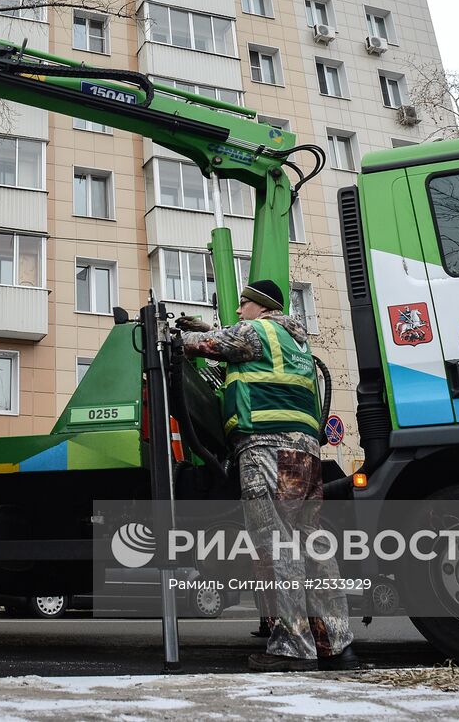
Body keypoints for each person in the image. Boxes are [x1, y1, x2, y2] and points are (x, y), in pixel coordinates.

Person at [177, 279, 359, 673]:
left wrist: (180, 335)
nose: (240, 310)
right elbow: (230, 340)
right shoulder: (297, 343)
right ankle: (336, 644)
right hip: (304, 452)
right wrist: (208, 328)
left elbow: (202, 347)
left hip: (266, 447)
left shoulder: (256, 331)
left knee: (275, 544)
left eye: (243, 304)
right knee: (311, 544)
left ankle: (292, 647)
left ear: (260, 307)